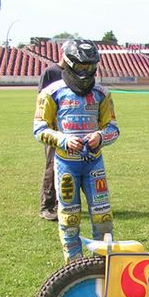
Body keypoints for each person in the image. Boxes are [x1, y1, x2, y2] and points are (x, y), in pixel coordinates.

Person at [33, 39, 120, 262]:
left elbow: (113, 128)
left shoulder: (102, 93)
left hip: (94, 164)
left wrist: (100, 136)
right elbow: (39, 128)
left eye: (90, 67)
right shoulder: (51, 92)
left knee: (103, 217)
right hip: (66, 165)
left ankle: (102, 263)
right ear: (70, 63)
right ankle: (73, 266)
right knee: (69, 218)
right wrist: (62, 139)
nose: (86, 72)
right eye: (81, 66)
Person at [37, 56, 65, 221]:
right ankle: (46, 206)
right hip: (53, 129)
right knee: (52, 165)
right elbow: (41, 99)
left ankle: (60, 203)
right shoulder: (51, 72)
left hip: (69, 128)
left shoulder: (73, 73)